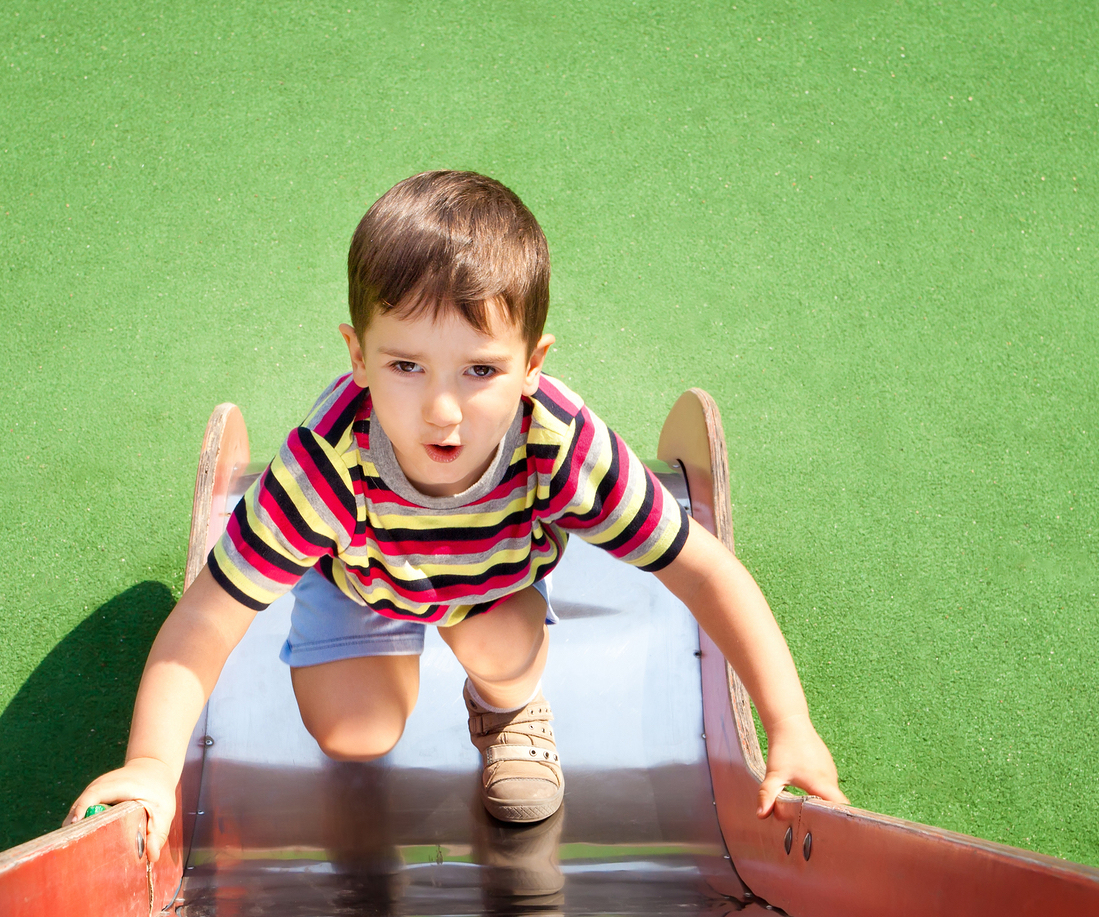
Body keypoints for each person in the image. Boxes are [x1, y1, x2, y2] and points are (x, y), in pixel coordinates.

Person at [68, 168, 846, 851]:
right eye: (405, 365)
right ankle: (383, 624)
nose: (442, 410)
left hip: (490, 583)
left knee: (503, 648)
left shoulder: (562, 448)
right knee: (355, 734)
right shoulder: (327, 467)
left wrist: (790, 726)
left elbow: (705, 570)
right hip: (361, 578)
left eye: (480, 369)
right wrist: (152, 766)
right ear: (357, 355)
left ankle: (507, 714)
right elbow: (204, 621)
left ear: (533, 366)